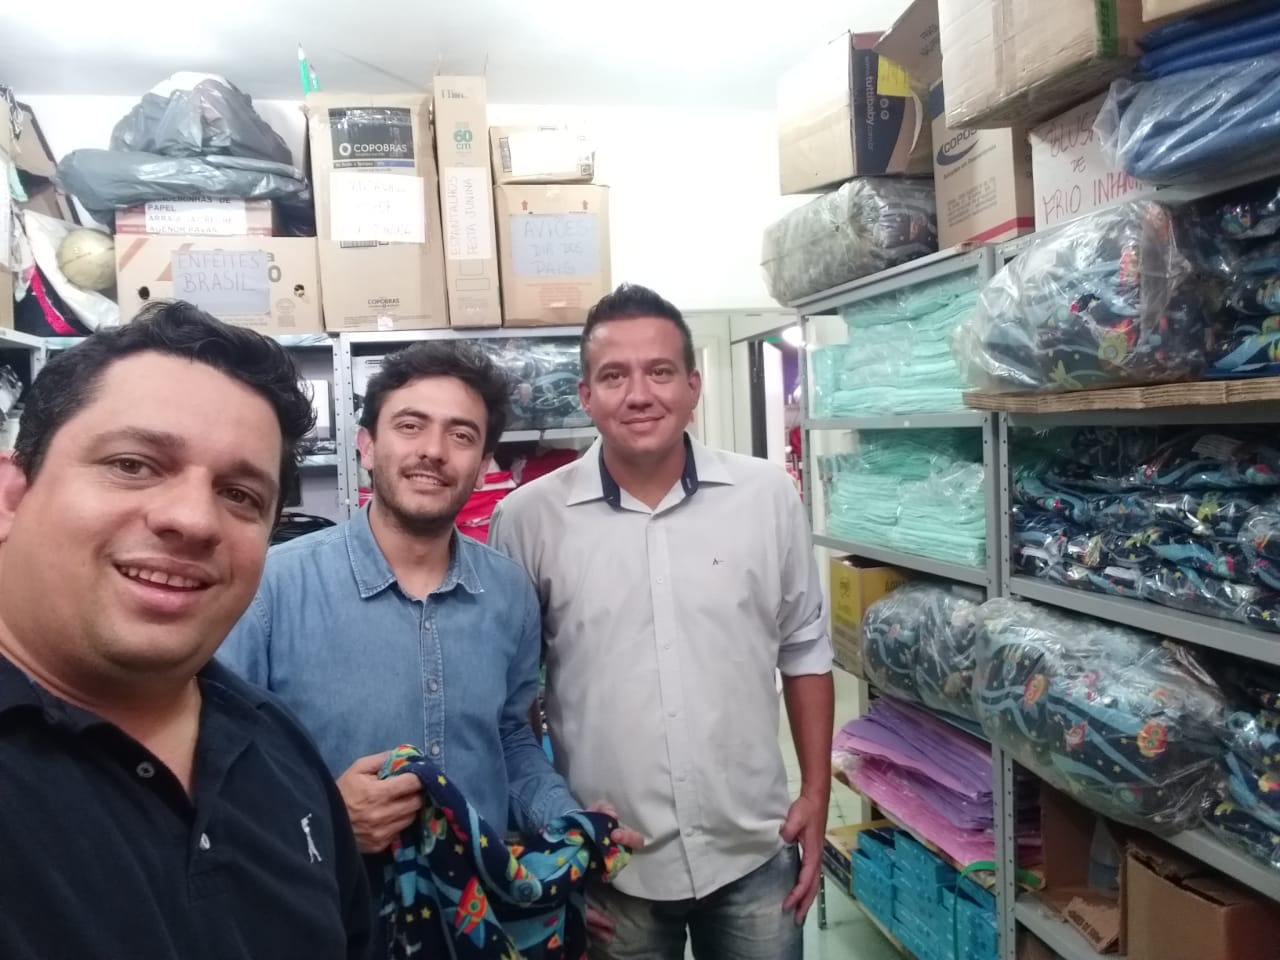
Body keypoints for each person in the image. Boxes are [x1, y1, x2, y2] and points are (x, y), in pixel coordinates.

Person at [0, 302, 372, 960]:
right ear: (11, 496)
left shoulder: (276, 746)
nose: (194, 520)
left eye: (240, 495)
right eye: (133, 464)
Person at [218, 341, 639, 909]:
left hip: (478, 915)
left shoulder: (509, 593)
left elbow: (509, 738)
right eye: (410, 426)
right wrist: (322, 813)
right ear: (367, 445)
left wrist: (568, 821)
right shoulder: (272, 588)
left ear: (483, 464)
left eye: (461, 435)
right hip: (328, 911)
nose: (434, 451)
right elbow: (218, 759)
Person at [488, 283, 834, 960]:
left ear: (693, 385)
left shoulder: (766, 496)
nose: (639, 394)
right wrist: (546, 839)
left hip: (754, 848)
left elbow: (804, 649)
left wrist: (817, 794)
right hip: (613, 864)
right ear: (586, 395)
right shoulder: (528, 520)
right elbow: (513, 700)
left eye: (660, 371)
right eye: (614, 376)